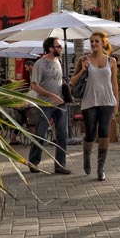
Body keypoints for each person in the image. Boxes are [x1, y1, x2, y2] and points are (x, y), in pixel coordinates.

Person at [70, 31, 118, 181]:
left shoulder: (112, 61)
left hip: (107, 101)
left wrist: (116, 102)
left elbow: (114, 83)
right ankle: (86, 157)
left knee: (104, 133)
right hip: (89, 101)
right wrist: (83, 69)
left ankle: (100, 168)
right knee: (90, 133)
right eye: (91, 41)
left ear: (103, 43)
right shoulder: (84, 59)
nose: (93, 44)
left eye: (96, 41)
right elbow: (72, 81)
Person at [28, 36, 70, 175]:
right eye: (58, 46)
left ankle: (60, 165)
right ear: (50, 48)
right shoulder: (39, 64)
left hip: (61, 104)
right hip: (45, 104)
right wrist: (51, 95)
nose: (61, 48)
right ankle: (33, 162)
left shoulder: (59, 61)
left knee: (63, 134)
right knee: (41, 133)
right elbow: (34, 86)